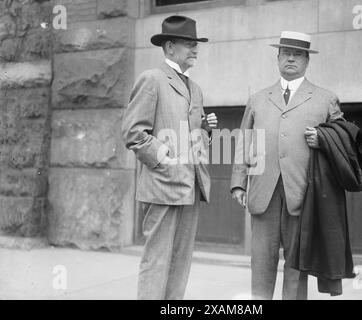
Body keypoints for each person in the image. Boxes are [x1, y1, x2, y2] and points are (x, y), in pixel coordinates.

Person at [230, 31, 344, 300]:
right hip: (263, 192)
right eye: (286, 53)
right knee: (261, 263)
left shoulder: (325, 98)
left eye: (298, 54)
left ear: (307, 60)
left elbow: (345, 139)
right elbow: (244, 141)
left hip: (303, 193)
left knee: (296, 266)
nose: (291, 58)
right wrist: (238, 182)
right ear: (277, 57)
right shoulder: (258, 98)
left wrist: (324, 138)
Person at [122, 15, 217, 300]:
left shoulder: (195, 88)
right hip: (164, 185)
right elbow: (134, 133)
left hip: (190, 186)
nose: (195, 49)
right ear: (170, 47)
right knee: (158, 261)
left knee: (180, 262)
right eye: (189, 44)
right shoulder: (152, 79)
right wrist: (165, 159)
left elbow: (192, 138)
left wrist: (205, 130)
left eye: (196, 44)